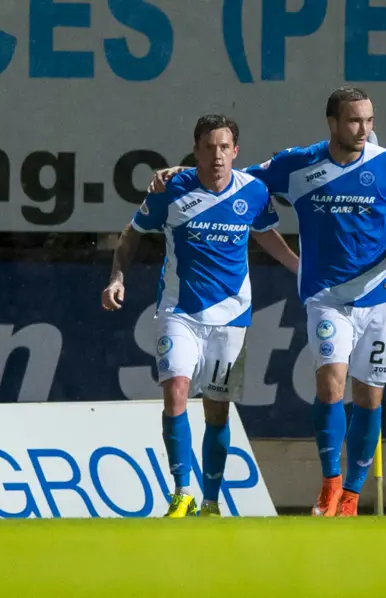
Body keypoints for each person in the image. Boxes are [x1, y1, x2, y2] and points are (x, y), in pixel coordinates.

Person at [149, 87, 386, 517]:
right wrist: (178, 173)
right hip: (326, 295)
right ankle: (330, 484)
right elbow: (230, 178)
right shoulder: (298, 164)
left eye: (369, 120)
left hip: (382, 293)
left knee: (370, 398)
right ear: (332, 123)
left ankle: (351, 496)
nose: (364, 129)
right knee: (331, 383)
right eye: (354, 121)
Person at [102, 114, 299, 518]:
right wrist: (117, 276)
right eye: (209, 147)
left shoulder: (253, 192)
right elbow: (133, 231)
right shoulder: (170, 189)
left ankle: (210, 501)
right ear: (196, 151)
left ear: (236, 152)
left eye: (224, 147)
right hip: (180, 312)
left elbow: (263, 233)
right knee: (175, 390)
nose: (217, 155)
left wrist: (300, 270)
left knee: (217, 410)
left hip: (232, 318)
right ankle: (182, 492)